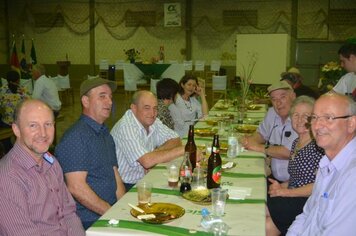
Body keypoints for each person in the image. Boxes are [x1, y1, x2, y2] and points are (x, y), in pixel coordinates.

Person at [0, 99, 85, 235]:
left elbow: (69, 214)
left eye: (48, 124)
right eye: (33, 125)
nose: (43, 133)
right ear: (16, 130)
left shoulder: (52, 163)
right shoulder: (7, 177)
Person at [55, 78, 125, 229]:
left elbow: (115, 174)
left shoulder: (105, 133)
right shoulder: (76, 137)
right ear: (85, 101)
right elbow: (76, 187)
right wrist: (112, 212)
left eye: (110, 97)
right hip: (89, 220)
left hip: (110, 213)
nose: (110, 102)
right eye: (102, 96)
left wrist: (124, 208)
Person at [287, 93, 356, 235]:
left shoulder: (352, 175)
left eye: (329, 118)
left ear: (351, 124)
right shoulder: (326, 164)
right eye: (314, 118)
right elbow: (306, 215)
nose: (317, 125)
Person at [266, 96, 324, 236]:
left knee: (259, 211)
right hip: (293, 196)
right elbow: (297, 178)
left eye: (306, 115)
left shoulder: (318, 146)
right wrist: (281, 186)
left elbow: (319, 185)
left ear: (314, 119)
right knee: (267, 224)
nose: (299, 120)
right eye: (296, 115)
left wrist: (286, 192)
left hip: (308, 202)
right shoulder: (296, 142)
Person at [111, 90, 185, 191]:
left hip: (146, 178)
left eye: (155, 108)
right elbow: (147, 162)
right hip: (125, 186)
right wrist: (183, 150)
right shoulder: (126, 126)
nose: (152, 113)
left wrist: (154, 154)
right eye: (147, 108)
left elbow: (176, 140)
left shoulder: (152, 121)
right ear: (133, 108)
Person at [242, 80, 298, 182]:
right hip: (273, 177)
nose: (278, 103)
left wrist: (260, 147)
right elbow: (261, 134)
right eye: (274, 99)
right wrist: (249, 141)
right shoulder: (272, 112)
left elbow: (290, 152)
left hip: (294, 183)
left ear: (293, 96)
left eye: (283, 97)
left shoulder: (300, 118)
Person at [0, 70, 30, 153]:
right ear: (18, 80)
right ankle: (20, 151)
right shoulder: (22, 90)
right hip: (20, 122)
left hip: (7, 122)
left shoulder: (2, 90)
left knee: (5, 139)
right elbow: (29, 104)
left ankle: (9, 151)